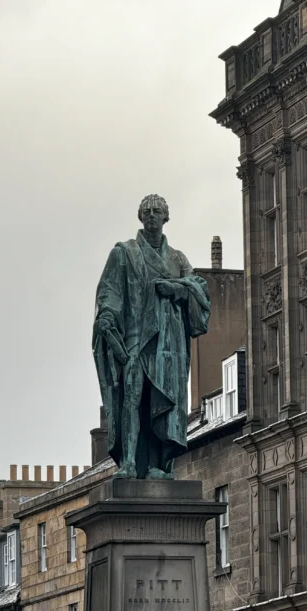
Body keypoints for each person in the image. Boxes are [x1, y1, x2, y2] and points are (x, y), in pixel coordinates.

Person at [93, 194, 211, 480]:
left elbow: (199, 291)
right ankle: (130, 461)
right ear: (140, 217)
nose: (151, 215)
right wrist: (107, 315)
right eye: (146, 211)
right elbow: (109, 292)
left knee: (164, 400)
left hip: (168, 347)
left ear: (166, 217)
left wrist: (177, 289)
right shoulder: (124, 253)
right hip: (135, 339)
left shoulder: (178, 259)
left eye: (157, 211)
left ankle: (159, 463)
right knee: (132, 396)